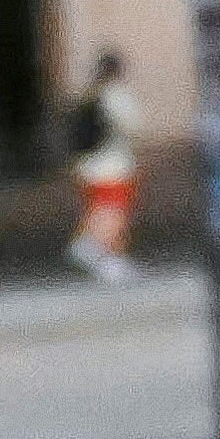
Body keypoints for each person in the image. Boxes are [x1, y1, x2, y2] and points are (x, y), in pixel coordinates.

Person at [67, 48, 143, 282]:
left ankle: (112, 261)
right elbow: (132, 126)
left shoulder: (89, 95)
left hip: (87, 165)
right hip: (113, 165)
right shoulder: (116, 95)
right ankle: (91, 248)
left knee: (99, 210)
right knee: (115, 213)